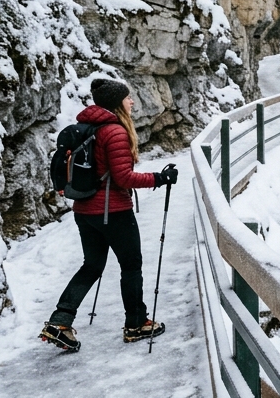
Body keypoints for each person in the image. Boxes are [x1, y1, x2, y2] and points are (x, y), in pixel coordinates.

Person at [40, 78, 179, 352]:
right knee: (131, 266)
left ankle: (60, 322)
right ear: (117, 103)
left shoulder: (88, 127)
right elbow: (123, 177)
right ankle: (136, 324)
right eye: (128, 98)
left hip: (84, 211)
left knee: (92, 266)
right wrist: (159, 178)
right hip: (113, 212)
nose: (132, 102)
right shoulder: (114, 132)